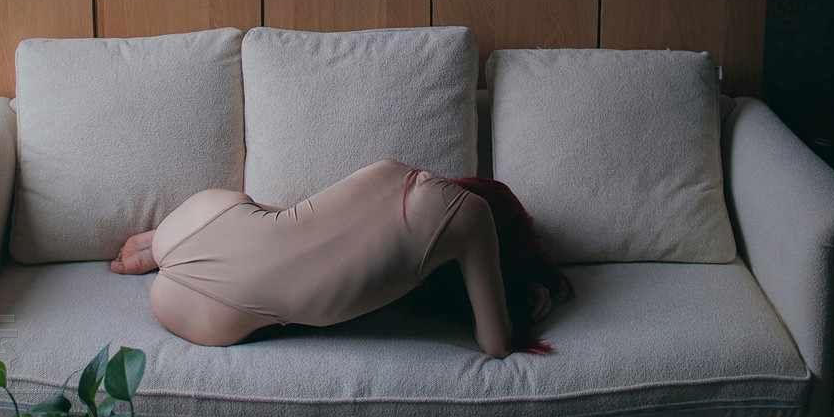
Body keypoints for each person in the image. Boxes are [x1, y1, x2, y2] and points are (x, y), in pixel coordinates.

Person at [109, 160, 571, 357]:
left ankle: (159, 245)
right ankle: (167, 256)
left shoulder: (395, 169)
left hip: (203, 213)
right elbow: (495, 345)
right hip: (193, 309)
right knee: (273, 280)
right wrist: (531, 301)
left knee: (283, 223)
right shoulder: (474, 218)